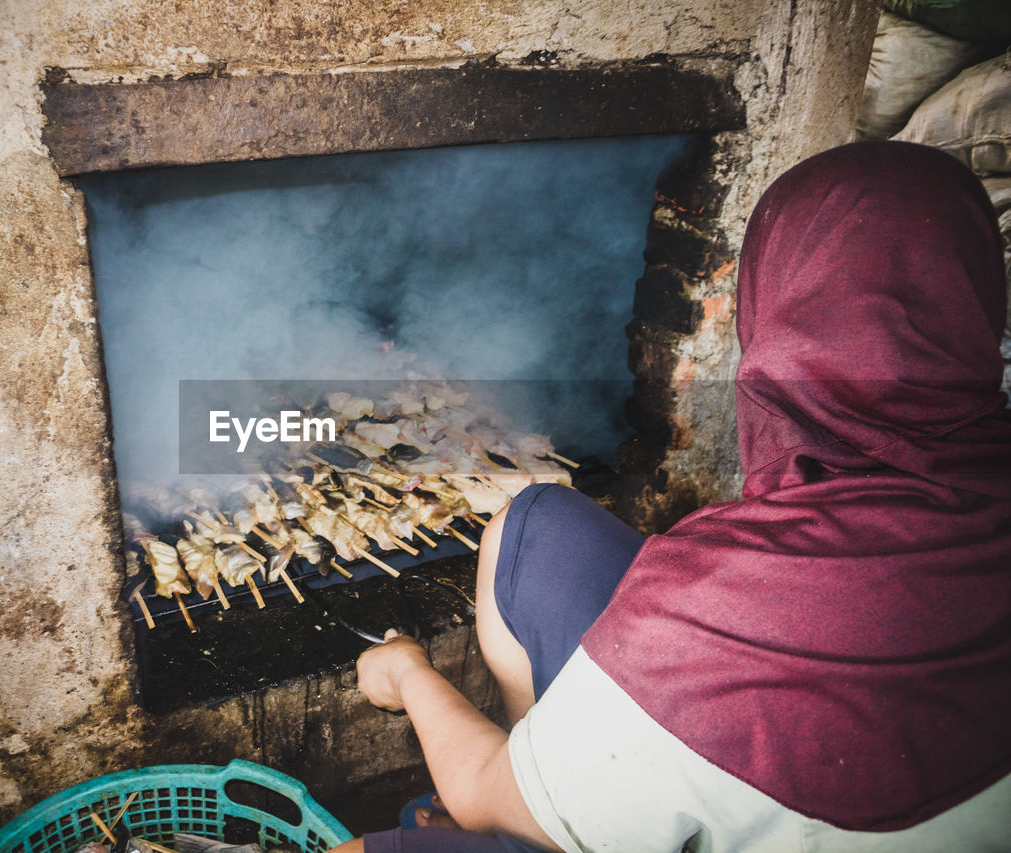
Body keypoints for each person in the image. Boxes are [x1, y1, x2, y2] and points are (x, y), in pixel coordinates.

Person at [331, 140, 1011, 853]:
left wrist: (408, 672)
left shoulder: (724, 610)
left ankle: (540, 816)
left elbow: (472, 795)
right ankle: (552, 787)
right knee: (537, 524)